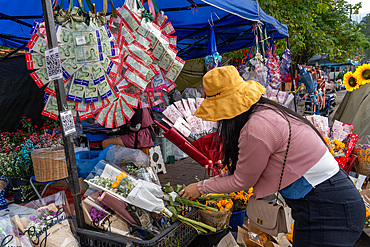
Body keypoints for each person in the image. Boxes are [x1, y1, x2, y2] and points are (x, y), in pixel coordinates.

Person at [179, 66, 365, 246]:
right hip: (322, 204)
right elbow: (241, 171)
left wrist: (201, 187)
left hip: (330, 208)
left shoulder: (256, 128)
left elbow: (241, 181)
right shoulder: (263, 113)